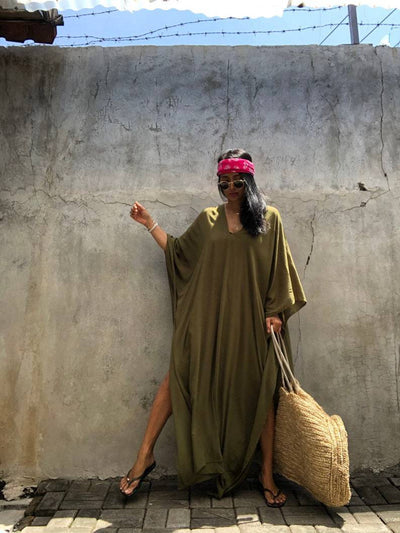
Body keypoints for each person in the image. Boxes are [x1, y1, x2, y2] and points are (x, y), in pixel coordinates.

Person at [120, 148, 306, 507]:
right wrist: (150, 224)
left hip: (254, 324)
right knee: (177, 378)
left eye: (238, 181)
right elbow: (178, 254)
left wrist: (276, 311)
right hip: (206, 322)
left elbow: (279, 270)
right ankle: (144, 457)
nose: (231, 188)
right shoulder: (208, 220)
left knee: (262, 392)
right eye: (224, 183)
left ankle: (266, 474)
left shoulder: (270, 219)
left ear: (249, 180)